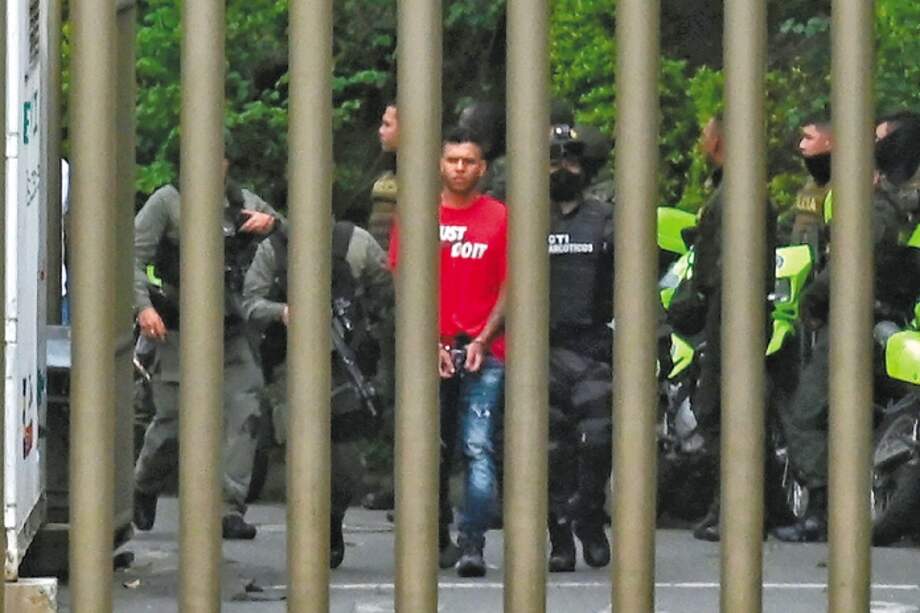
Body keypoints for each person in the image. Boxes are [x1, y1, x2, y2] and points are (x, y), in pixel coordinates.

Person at [773, 114, 920, 542]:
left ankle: (819, 507)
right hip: (900, 321)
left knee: (807, 413)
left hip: (857, 318)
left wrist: (815, 300)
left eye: (878, 136)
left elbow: (850, 262)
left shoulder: (875, 200)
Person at [132, 155, 283, 540]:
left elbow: (294, 237)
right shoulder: (167, 201)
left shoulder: (242, 202)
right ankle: (144, 485)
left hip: (228, 329)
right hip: (176, 328)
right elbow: (132, 257)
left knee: (244, 409)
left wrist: (274, 225)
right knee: (173, 423)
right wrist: (144, 308)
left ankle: (228, 507)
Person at [388, 126, 507, 578]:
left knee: (477, 447)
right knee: (427, 447)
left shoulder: (499, 216)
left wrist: (481, 338)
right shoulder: (416, 215)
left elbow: (511, 284)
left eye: (469, 161)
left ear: (483, 168)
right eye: (453, 160)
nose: (460, 168)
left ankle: (472, 542)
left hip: (486, 347)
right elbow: (405, 282)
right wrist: (431, 342)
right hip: (429, 348)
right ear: (440, 165)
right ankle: (431, 535)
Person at [241, 219, 394, 568]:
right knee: (303, 452)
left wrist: (367, 329)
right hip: (289, 365)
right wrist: (282, 312)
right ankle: (308, 534)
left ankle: (331, 521)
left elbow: (387, 290)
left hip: (346, 364)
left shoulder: (355, 242)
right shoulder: (274, 250)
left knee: (346, 465)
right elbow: (250, 302)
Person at [688, 117, 776, 541]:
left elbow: (720, 263)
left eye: (707, 136)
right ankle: (731, 505)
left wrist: (699, 299)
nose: (702, 143)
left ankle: (738, 508)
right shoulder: (734, 188)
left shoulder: (736, 193)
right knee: (725, 408)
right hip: (730, 307)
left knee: (724, 409)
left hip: (734, 308)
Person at [543, 124, 614, 572]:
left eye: (570, 160)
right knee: (549, 448)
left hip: (592, 349)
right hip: (541, 350)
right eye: (553, 159)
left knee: (599, 440)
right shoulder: (527, 218)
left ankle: (588, 516)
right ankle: (559, 539)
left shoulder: (605, 217)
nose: (562, 168)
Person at [789, 118, 833, 261]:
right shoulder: (811, 183)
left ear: (830, 142)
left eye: (809, 138)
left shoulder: (847, 186)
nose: (802, 145)